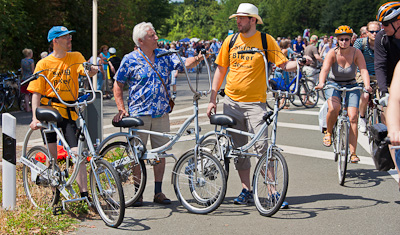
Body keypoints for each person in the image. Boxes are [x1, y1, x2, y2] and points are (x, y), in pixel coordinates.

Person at [206, 3, 308, 208]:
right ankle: (246, 189)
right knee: (239, 150)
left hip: (256, 104)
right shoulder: (231, 40)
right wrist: (212, 98)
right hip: (232, 103)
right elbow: (221, 70)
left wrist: (301, 63)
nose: (238, 21)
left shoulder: (265, 40)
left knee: (262, 148)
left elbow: (282, 64)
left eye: (242, 18)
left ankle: (272, 191)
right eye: (237, 18)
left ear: (253, 20)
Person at [112, 22, 202, 206]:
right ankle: (138, 193)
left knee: (161, 153)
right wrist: (121, 108)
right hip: (139, 115)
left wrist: (198, 58)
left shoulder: (164, 55)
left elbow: (184, 63)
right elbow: (118, 84)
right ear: (140, 40)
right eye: (152, 36)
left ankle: (158, 192)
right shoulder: (130, 59)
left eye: (155, 34)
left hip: (161, 113)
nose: (156, 38)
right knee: (136, 155)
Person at [27, 26, 98, 200]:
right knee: (52, 156)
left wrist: (92, 70)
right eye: (65, 37)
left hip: (68, 112)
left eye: (70, 37)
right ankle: (55, 194)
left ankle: (85, 195)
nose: (69, 40)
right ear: (55, 41)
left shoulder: (75, 57)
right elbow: (36, 92)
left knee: (77, 153)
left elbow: (85, 69)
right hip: (50, 111)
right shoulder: (43, 64)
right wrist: (35, 118)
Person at [315, 25, 371, 163]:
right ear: (337, 40)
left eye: (346, 39)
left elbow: (363, 70)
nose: (344, 42)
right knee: (334, 108)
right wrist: (322, 83)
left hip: (352, 84)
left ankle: (353, 153)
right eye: (341, 40)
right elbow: (325, 70)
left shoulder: (356, 52)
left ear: (351, 39)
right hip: (333, 84)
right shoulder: (332, 53)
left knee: (353, 117)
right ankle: (328, 132)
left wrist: (367, 85)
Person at [375, 1, 400, 186]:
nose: (381, 28)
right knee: (392, 125)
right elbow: (380, 65)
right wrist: (384, 92)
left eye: (384, 24)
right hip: (393, 82)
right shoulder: (382, 38)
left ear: (397, 22)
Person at [353, 21, 381, 133]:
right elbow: (354, 57)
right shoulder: (360, 43)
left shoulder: (384, 42)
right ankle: (362, 117)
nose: (375, 34)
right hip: (363, 73)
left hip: (379, 74)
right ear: (367, 32)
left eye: (377, 31)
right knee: (365, 96)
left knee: (382, 101)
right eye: (372, 31)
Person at [21, 48, 35, 112]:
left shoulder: (22, 61)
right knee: (32, 93)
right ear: (30, 54)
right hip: (30, 78)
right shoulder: (31, 61)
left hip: (24, 78)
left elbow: (22, 70)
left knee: (26, 94)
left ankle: (27, 107)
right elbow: (33, 70)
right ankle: (33, 106)